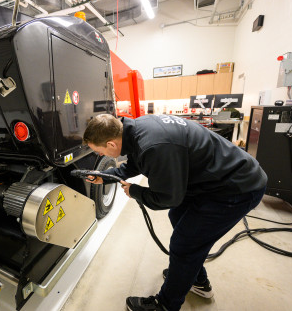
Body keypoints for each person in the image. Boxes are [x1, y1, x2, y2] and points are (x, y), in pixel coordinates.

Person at [83, 114, 267, 311]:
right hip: (214, 179)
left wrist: (135, 191)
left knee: (185, 244)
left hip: (236, 188)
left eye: (99, 151)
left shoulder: (153, 146)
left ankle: (165, 305)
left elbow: (167, 198)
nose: (101, 156)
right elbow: (138, 162)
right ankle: (196, 280)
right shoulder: (137, 129)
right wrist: (107, 176)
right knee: (178, 217)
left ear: (111, 144)